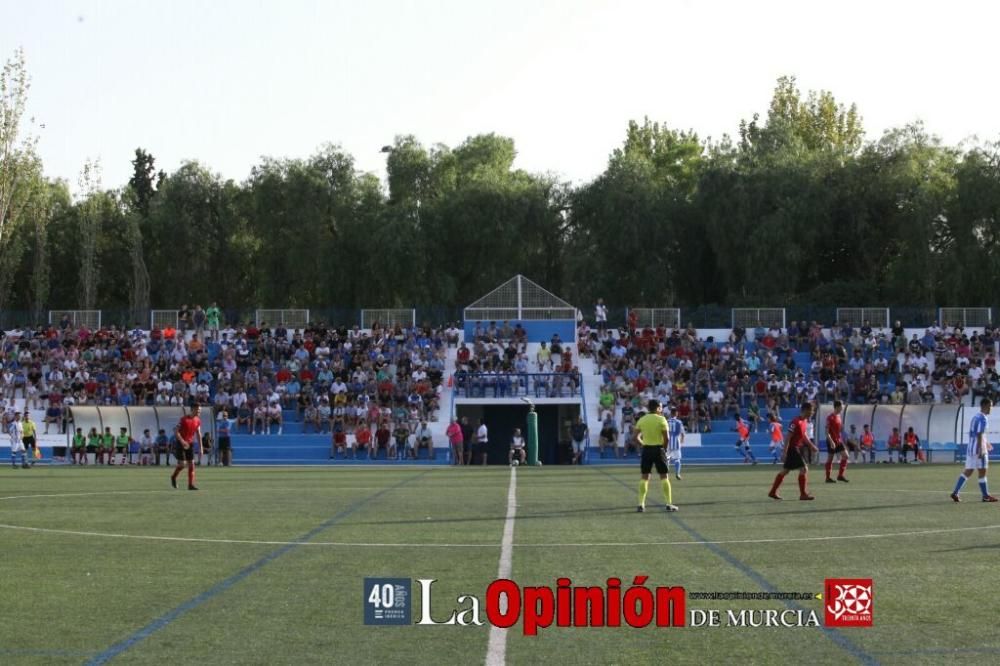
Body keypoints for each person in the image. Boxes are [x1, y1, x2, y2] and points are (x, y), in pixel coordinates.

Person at [768, 402, 819, 501]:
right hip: (793, 448)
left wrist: (811, 446)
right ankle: (803, 494)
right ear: (805, 410)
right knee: (804, 469)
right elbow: (788, 437)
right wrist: (784, 452)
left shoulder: (804, 422)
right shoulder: (795, 421)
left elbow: (804, 436)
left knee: (785, 471)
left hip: (796, 448)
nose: (812, 412)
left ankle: (773, 492)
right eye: (811, 410)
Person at [951, 398, 998, 502]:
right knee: (982, 472)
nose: (991, 408)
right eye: (990, 406)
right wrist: (981, 449)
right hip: (978, 448)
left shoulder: (975, 417)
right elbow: (979, 433)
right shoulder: (983, 418)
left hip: (971, 448)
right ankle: (985, 496)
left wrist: (986, 443)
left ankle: (955, 492)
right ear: (985, 405)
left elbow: (976, 433)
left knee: (968, 471)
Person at [635, 399, 677, 512]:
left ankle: (641, 504)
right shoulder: (661, 419)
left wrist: (644, 444)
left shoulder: (642, 420)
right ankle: (668, 504)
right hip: (658, 449)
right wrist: (663, 449)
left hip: (646, 450)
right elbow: (667, 438)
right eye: (661, 407)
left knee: (645, 477)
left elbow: (635, 437)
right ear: (658, 408)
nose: (662, 409)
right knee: (664, 476)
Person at [170, 404, 203, 490]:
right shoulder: (183, 419)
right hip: (180, 443)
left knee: (191, 464)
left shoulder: (198, 420)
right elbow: (176, 431)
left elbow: (198, 434)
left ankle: (190, 485)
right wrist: (182, 441)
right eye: (198, 410)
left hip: (190, 444)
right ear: (192, 409)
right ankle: (173, 477)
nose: (199, 411)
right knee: (182, 464)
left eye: (200, 410)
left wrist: (201, 448)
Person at [824, 400, 849, 483]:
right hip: (831, 441)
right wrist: (831, 442)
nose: (842, 408)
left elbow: (840, 429)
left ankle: (840, 475)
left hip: (838, 440)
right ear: (837, 407)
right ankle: (828, 478)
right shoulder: (830, 417)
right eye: (841, 406)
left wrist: (844, 437)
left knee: (845, 456)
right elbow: (826, 432)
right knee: (830, 459)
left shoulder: (839, 416)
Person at [666, 409, 685, 480]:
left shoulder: (666, 421)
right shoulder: (679, 422)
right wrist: (682, 441)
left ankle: (666, 474)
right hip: (676, 442)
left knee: (667, 458)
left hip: (667, 442)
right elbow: (682, 433)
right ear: (676, 414)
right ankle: (677, 474)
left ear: (670, 413)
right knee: (677, 459)